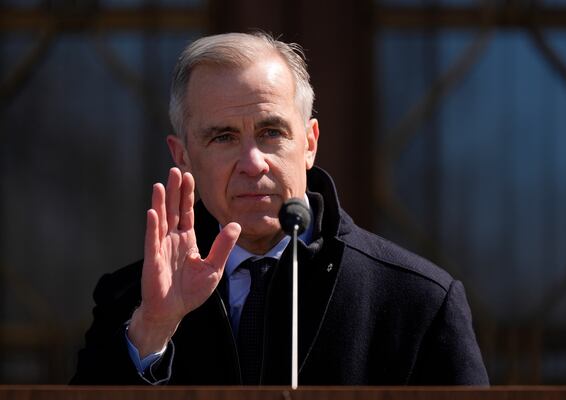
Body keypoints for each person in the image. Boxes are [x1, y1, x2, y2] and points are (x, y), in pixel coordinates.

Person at [71, 32, 489, 386]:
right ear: (183, 157)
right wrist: (153, 331)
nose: (253, 163)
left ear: (309, 143)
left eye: (272, 132)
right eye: (223, 138)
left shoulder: (418, 300)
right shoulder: (130, 302)